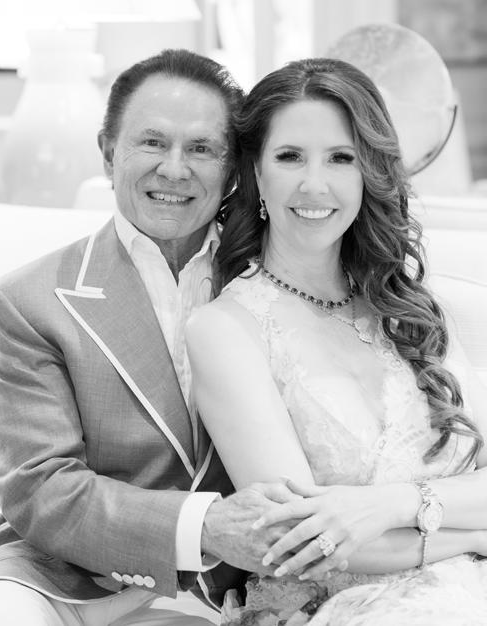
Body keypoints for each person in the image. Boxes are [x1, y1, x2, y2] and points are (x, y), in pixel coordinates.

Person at [0, 49, 299, 626]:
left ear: (233, 169)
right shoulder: (28, 300)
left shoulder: (280, 279)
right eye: (153, 142)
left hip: (243, 588)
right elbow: (42, 490)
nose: (175, 169)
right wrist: (202, 526)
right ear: (109, 152)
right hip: (69, 581)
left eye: (202, 149)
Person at [185, 57, 487, 625]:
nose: (314, 184)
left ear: (368, 172)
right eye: (290, 156)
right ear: (255, 172)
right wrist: (472, 536)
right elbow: (302, 538)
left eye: (340, 158)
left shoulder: (411, 306)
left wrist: (393, 505)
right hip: (345, 606)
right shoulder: (225, 329)